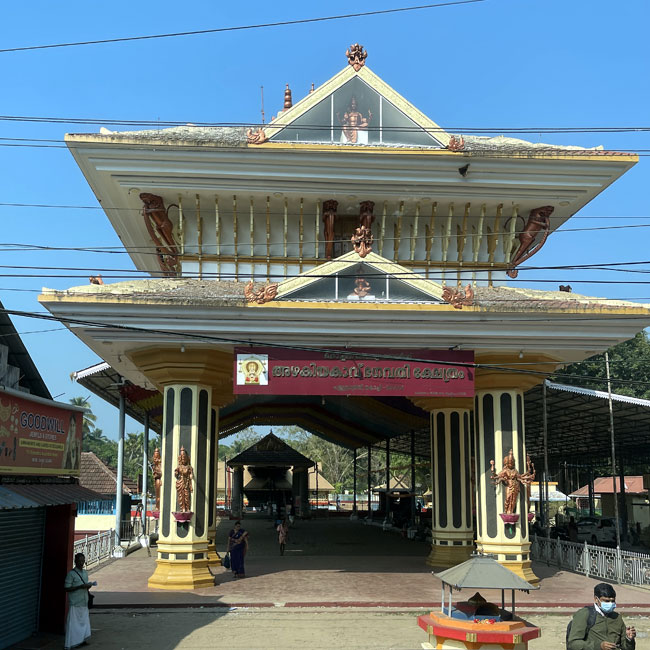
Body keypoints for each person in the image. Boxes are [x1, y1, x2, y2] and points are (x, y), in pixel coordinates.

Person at [567, 582, 636, 650]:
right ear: (596, 599)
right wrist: (599, 646)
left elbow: (627, 647)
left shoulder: (617, 617)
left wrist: (629, 639)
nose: (610, 604)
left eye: (612, 601)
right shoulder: (585, 614)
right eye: (606, 601)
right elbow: (573, 644)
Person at [64, 553, 96, 650]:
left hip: (84, 601)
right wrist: (80, 587)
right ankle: (72, 643)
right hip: (75, 602)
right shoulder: (71, 574)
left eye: (83, 561)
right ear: (75, 561)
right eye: (80, 561)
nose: (82, 563)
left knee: (84, 622)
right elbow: (67, 588)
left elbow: (85, 585)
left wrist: (88, 586)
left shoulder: (85, 573)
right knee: (74, 624)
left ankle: (82, 640)